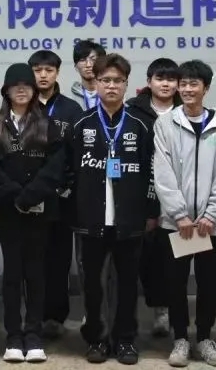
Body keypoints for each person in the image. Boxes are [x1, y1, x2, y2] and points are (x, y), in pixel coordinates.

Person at [68, 54, 157, 365]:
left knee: (127, 284)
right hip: (90, 219)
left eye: (118, 81)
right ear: (96, 82)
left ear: (126, 85)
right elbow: (69, 171)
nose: (111, 86)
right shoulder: (81, 124)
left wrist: (150, 211)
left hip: (129, 219)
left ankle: (125, 340)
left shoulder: (141, 125)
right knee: (92, 285)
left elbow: (152, 172)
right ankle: (96, 339)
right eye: (105, 80)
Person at [152, 60, 216, 368]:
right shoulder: (165, 124)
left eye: (194, 84)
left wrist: (212, 214)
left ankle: (204, 338)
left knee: (207, 282)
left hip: (210, 224)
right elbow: (162, 173)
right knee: (175, 282)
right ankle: (180, 339)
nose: (187, 89)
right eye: (183, 84)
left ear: (206, 88)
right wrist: (179, 214)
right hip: (176, 223)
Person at [0, 63, 67, 363]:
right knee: (12, 274)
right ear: (6, 91)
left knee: (36, 273)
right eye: (15, 85)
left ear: (34, 90)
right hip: (8, 210)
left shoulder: (48, 124)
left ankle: (34, 335)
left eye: (26, 85)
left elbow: (56, 166)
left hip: (39, 209)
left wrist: (30, 195)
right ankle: (13, 336)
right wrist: (14, 194)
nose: (21, 90)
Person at [27, 49, 82, 338]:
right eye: (37, 70)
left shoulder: (71, 110)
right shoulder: (22, 106)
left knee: (59, 261)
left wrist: (68, 186)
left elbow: (77, 155)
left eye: (48, 70)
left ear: (57, 73)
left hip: (61, 198)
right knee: (32, 260)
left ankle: (56, 317)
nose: (43, 75)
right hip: (28, 196)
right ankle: (33, 316)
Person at [126, 58, 180, 338]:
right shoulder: (133, 111)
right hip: (140, 194)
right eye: (160, 78)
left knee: (169, 259)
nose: (165, 84)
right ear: (149, 82)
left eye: (171, 79)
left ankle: (164, 310)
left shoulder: (186, 110)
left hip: (178, 197)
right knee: (139, 258)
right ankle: (128, 315)